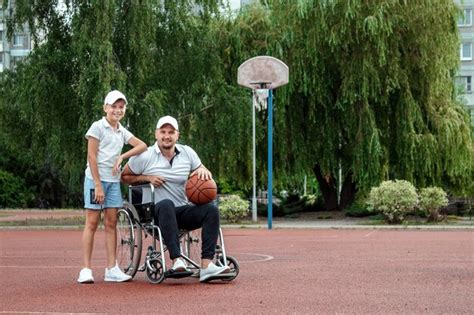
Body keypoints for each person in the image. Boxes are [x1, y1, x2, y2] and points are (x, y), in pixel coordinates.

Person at [121, 115, 230, 282]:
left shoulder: (187, 152)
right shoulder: (145, 155)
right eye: (163, 131)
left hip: (182, 210)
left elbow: (202, 169)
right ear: (156, 134)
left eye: (171, 132)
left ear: (177, 135)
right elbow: (125, 176)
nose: (167, 135)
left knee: (211, 210)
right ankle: (176, 260)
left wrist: (203, 171)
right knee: (166, 204)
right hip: (157, 213)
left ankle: (207, 266)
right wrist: (147, 177)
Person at [77, 90, 147, 283]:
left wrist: (122, 156)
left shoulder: (121, 130)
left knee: (111, 224)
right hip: (95, 180)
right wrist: (98, 185)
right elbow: (91, 156)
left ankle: (111, 269)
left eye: (121, 107)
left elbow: (142, 145)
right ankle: (86, 269)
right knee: (91, 223)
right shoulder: (97, 127)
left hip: (114, 182)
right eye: (113, 106)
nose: (117, 110)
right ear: (105, 108)